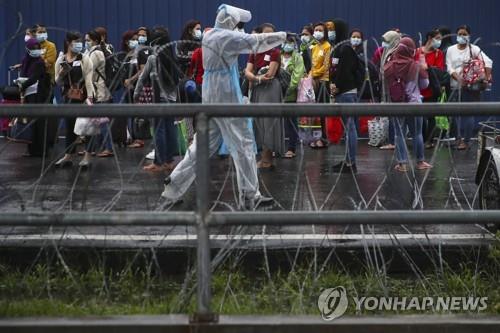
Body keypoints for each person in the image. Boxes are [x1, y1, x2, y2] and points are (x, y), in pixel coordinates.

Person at [161, 3, 287, 210]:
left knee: (202, 145)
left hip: (212, 94)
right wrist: (282, 36)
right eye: (237, 24)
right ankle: (250, 195)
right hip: (225, 95)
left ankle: (174, 185)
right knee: (244, 142)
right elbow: (256, 42)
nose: (239, 27)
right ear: (230, 23)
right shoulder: (226, 37)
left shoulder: (211, 35)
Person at [134, 27, 179, 172]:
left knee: (159, 130)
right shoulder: (172, 55)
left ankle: (158, 162)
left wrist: (136, 95)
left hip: (159, 99)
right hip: (172, 99)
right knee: (170, 128)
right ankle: (169, 161)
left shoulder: (153, 58)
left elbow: (142, 78)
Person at [385, 37, 432, 172]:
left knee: (399, 134)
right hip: (415, 104)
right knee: (417, 133)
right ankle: (420, 161)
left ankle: (402, 164)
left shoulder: (389, 65)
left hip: (396, 105)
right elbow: (425, 85)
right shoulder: (415, 66)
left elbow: (385, 86)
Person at [446, 25, 493, 150]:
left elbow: (488, 62)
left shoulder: (474, 49)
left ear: (469, 36)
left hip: (470, 88)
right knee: (454, 114)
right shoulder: (451, 50)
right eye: (460, 34)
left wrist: (486, 79)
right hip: (455, 86)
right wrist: (458, 78)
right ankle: (458, 138)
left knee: (468, 114)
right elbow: (449, 67)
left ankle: (466, 140)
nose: (462, 36)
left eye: (465, 34)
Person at [245, 22, 285, 170]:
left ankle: (267, 160)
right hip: (258, 88)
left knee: (268, 122)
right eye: (265, 33)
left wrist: (255, 77)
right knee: (259, 123)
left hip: (270, 89)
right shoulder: (254, 52)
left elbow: (270, 74)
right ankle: (264, 157)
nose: (268, 37)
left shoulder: (275, 52)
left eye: (271, 34)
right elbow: (247, 72)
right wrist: (257, 78)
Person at [54, 31, 95, 168]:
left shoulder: (84, 58)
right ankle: (68, 156)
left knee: (87, 127)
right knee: (69, 127)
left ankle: (87, 156)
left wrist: (90, 98)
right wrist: (62, 73)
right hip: (68, 98)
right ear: (68, 43)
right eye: (76, 42)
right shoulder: (61, 60)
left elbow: (89, 80)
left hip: (83, 97)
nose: (79, 44)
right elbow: (57, 82)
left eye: (80, 41)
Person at [330, 18, 360, 173]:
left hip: (346, 92)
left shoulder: (346, 49)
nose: (329, 32)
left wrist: (337, 86)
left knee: (350, 128)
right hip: (341, 91)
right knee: (348, 128)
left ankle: (351, 163)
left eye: (332, 28)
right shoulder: (339, 47)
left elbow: (344, 71)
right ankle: (348, 159)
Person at [18, 38, 49, 156]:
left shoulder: (40, 62)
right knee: (31, 123)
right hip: (29, 94)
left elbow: (34, 78)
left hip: (38, 95)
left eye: (38, 48)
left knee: (38, 123)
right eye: (33, 48)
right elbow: (25, 75)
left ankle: (41, 150)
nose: (36, 50)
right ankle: (31, 149)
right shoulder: (26, 61)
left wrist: (22, 85)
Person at [85, 30, 113, 158]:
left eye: (88, 40)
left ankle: (108, 148)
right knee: (97, 120)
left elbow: (88, 70)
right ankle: (94, 148)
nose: (86, 43)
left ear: (95, 41)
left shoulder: (96, 53)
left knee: (102, 121)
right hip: (99, 89)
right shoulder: (95, 52)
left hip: (100, 90)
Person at [418, 29, 445, 148]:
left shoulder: (438, 53)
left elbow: (439, 70)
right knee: (420, 116)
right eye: (437, 38)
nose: (439, 41)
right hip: (419, 89)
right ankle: (420, 139)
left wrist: (427, 67)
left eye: (440, 39)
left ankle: (429, 140)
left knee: (431, 116)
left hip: (432, 88)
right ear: (430, 38)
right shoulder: (418, 51)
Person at [377, 30, 401, 151]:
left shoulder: (396, 53)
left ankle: (393, 141)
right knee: (392, 115)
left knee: (394, 116)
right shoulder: (387, 52)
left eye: (387, 41)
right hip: (387, 88)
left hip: (394, 89)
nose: (384, 43)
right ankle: (393, 140)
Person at [281, 34, 305, 158]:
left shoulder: (297, 58)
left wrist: (288, 90)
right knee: (278, 122)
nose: (287, 45)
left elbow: (297, 77)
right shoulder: (278, 56)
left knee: (291, 122)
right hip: (277, 94)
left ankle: (291, 148)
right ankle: (276, 147)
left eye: (290, 42)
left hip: (291, 95)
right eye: (285, 42)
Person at [309, 22, 331, 149]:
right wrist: (309, 75)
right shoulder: (314, 47)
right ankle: (315, 137)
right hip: (313, 81)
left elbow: (326, 66)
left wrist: (314, 74)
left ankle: (323, 139)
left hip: (323, 82)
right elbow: (312, 64)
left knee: (322, 112)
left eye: (320, 30)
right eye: (316, 30)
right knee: (314, 111)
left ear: (325, 33)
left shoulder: (327, 46)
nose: (317, 32)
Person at [33, 24, 57, 102]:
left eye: (44, 31)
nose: (43, 33)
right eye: (40, 32)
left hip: (47, 79)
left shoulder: (50, 46)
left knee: (46, 102)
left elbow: (48, 64)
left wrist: (37, 62)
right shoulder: (33, 46)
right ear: (34, 33)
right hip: (34, 79)